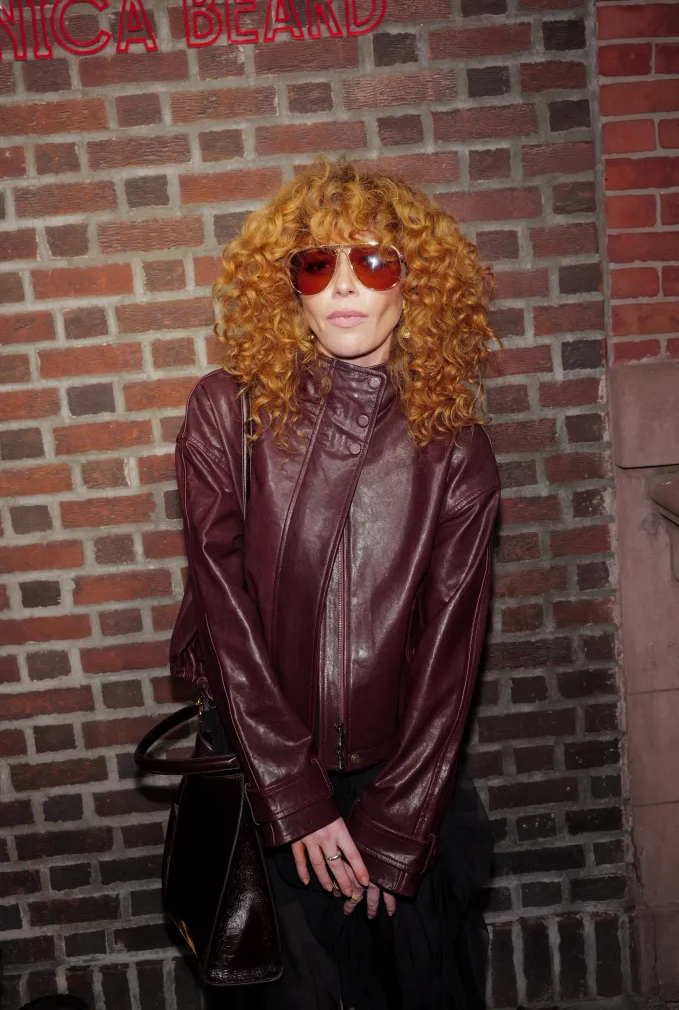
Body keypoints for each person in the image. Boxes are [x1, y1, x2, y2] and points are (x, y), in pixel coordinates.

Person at [169, 157, 501, 1010]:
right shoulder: (226, 412)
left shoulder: (457, 448)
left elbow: (450, 655)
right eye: (317, 264)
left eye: (374, 262)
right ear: (291, 288)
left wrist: (396, 825)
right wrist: (294, 794)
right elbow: (224, 616)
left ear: (412, 285)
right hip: (259, 772)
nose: (344, 287)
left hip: (403, 781)